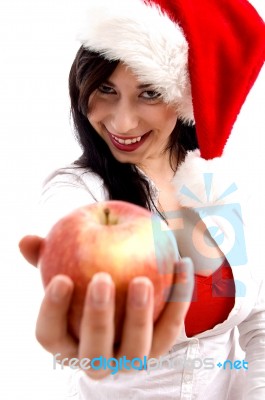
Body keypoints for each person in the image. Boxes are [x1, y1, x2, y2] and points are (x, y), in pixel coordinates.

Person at [19, 0, 265, 399]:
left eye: (149, 93)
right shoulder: (77, 191)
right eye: (106, 89)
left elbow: (258, 322)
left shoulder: (220, 186)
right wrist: (75, 319)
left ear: (186, 96)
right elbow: (72, 257)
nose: (122, 121)